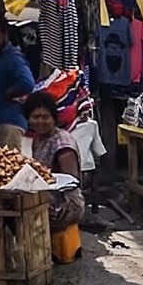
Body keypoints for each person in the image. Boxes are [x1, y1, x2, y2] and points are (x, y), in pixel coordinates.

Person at [23, 91, 85, 233]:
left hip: (65, 206)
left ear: (53, 118)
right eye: (35, 117)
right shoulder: (38, 139)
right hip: (46, 198)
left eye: (45, 117)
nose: (40, 121)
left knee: (19, 216)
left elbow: (71, 181)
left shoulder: (62, 143)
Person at [0, 14, 35, 151]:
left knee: (7, 167)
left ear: (5, 34)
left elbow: (27, 83)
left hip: (7, 124)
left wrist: (8, 93)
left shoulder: (12, 57)